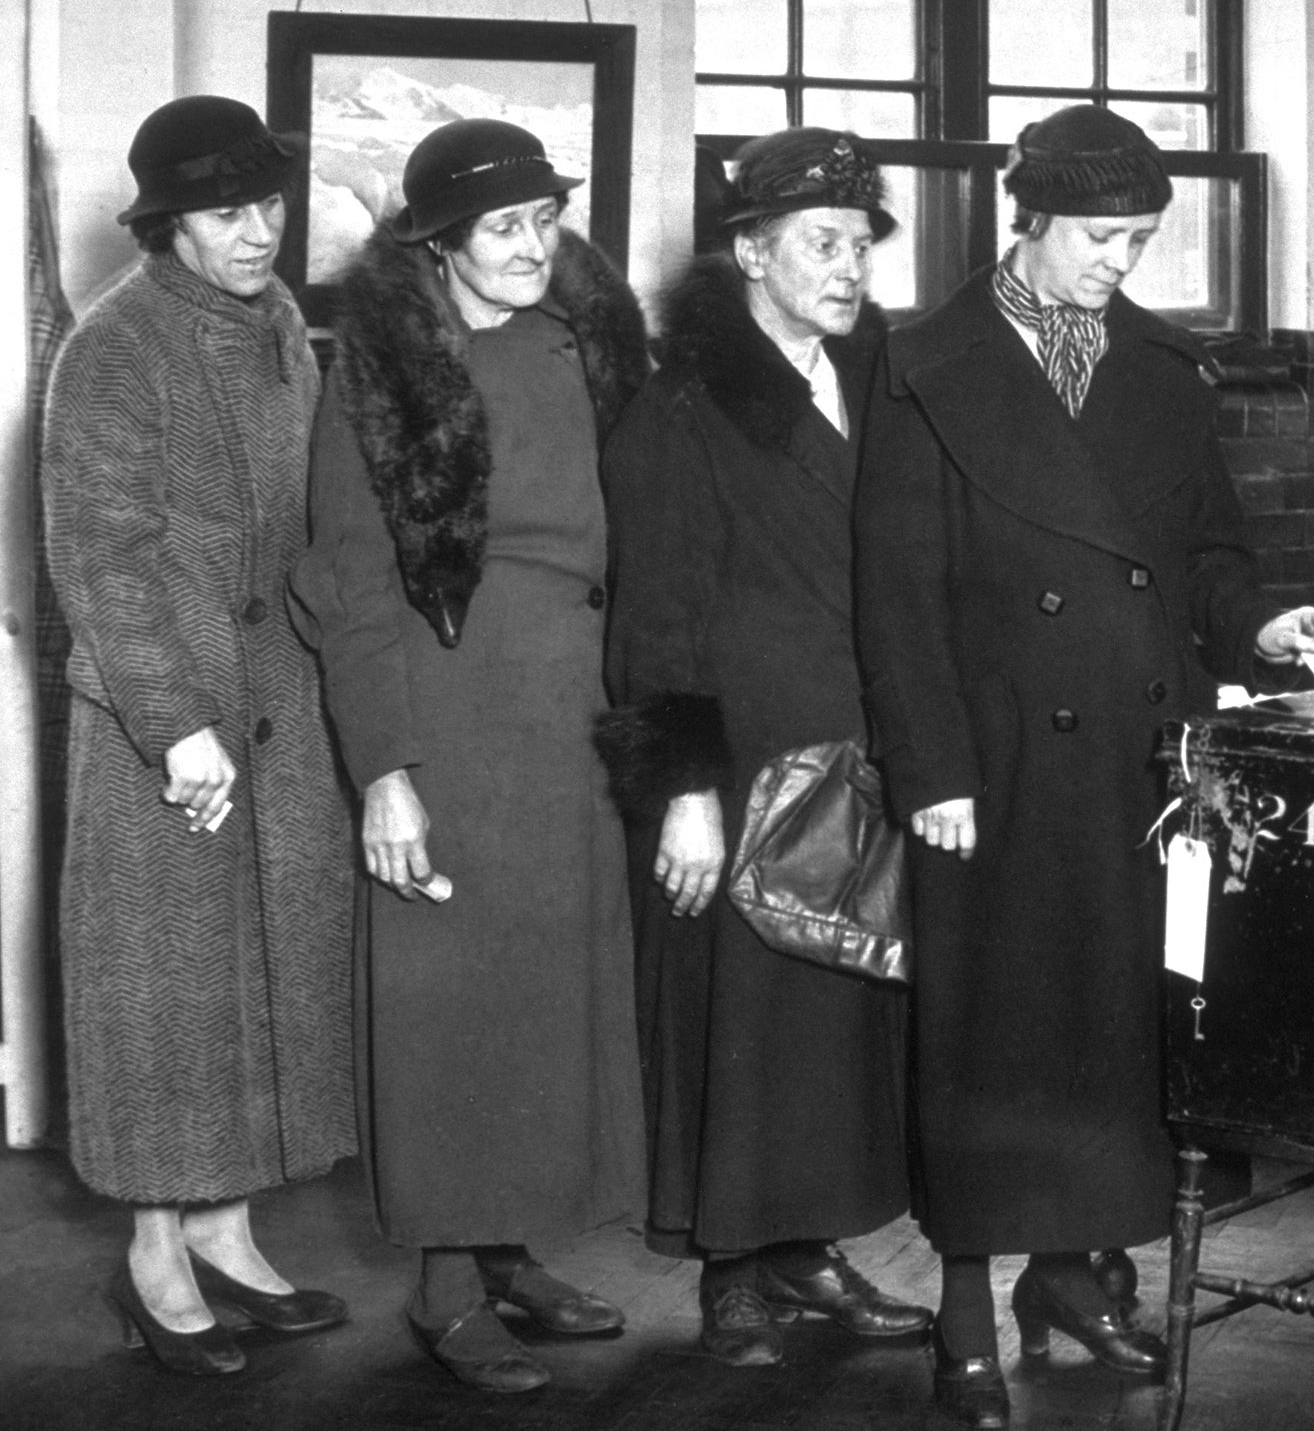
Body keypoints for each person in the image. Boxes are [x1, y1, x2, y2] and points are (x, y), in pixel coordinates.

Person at [854, 104, 1314, 1429]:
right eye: (1099, 238)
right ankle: (965, 1305)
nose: (1119, 262)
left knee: (1114, 1040)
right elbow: (893, 597)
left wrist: (1258, 624)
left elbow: (1209, 554)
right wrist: (932, 770)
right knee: (988, 1041)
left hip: (1138, 758)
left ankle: (1071, 1279)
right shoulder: (919, 363)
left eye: (1139, 239)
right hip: (994, 762)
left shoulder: (1166, 369)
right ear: (1029, 220)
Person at [291, 119, 648, 1393]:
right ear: (438, 246)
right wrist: (384, 770)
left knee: (547, 999)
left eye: (546, 221)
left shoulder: (582, 347)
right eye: (504, 227)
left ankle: (509, 1251)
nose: (533, 246)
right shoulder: (385, 371)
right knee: (452, 1009)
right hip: (452, 719)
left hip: (574, 719)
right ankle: (445, 1293)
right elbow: (346, 577)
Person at [597, 128, 931, 1366]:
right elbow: (656, 620)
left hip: (854, 757)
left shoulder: (875, 382)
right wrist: (683, 788)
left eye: (859, 244)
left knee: (833, 1015)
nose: (847, 268)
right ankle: (732, 1272)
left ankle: (809, 1250)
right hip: (736, 769)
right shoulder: (678, 411)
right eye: (820, 244)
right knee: (731, 1024)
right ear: (749, 250)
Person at [43, 95, 355, 1376]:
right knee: (161, 1002)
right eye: (230, 213)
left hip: (276, 711)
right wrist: (174, 726)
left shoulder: (280, 322)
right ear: (169, 223)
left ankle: (228, 1231)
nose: (260, 232)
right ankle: (153, 1255)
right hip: (159, 727)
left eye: (270, 204)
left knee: (255, 992)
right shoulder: (114, 349)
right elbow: (101, 558)